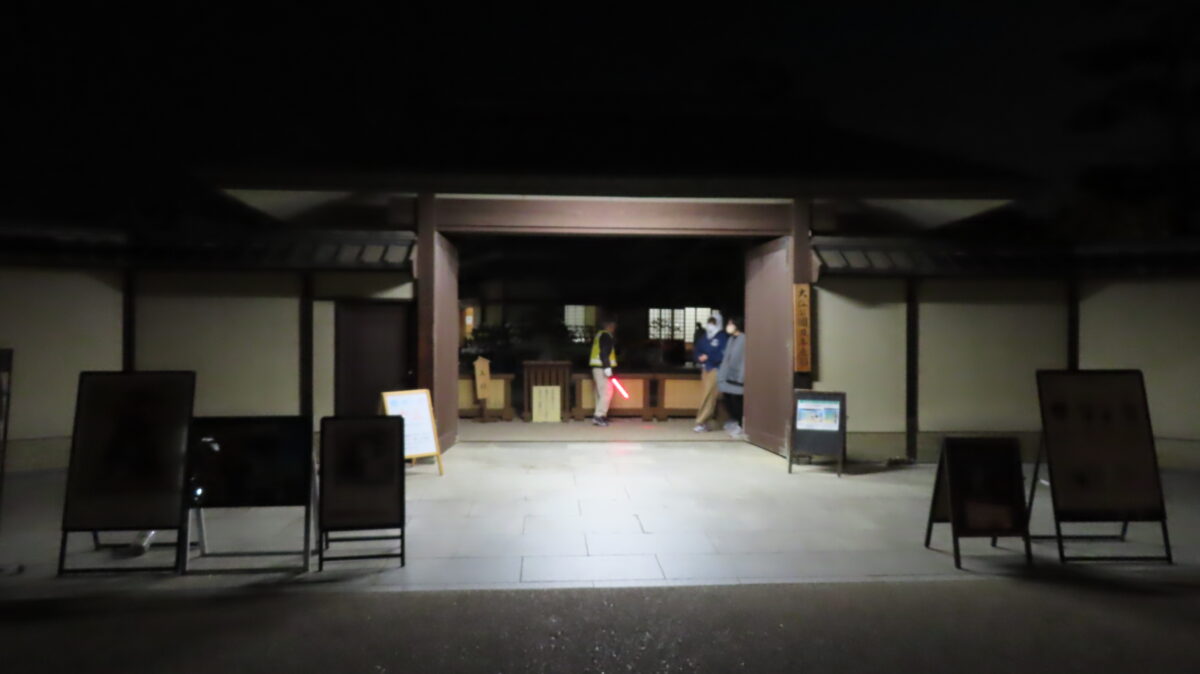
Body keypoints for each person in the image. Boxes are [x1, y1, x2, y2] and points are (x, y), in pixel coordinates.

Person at [692, 314, 728, 432]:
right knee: (710, 395)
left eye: (713, 322)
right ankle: (710, 421)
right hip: (705, 369)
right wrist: (699, 357)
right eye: (709, 322)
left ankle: (701, 421)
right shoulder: (704, 337)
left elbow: (723, 354)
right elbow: (697, 350)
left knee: (709, 395)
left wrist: (708, 357)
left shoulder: (722, 337)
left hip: (716, 368)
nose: (710, 325)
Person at [717, 316, 746, 439]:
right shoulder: (730, 339)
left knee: (737, 401)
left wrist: (741, 377)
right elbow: (726, 358)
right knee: (727, 399)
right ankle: (734, 422)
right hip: (727, 376)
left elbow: (744, 359)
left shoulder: (744, 338)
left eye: (731, 323)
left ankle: (740, 424)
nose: (728, 326)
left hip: (738, 377)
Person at [589, 319, 618, 426]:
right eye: (613, 325)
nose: (614, 328)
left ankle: (600, 415)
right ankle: (599, 416)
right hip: (602, 368)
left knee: (601, 393)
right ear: (609, 325)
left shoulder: (599, 335)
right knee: (607, 392)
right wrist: (607, 367)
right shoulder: (606, 336)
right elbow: (604, 352)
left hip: (597, 367)